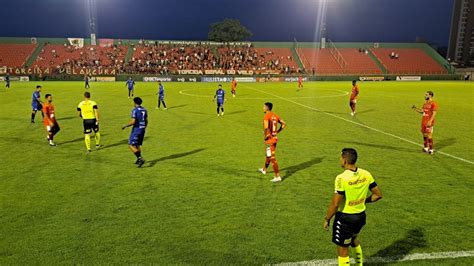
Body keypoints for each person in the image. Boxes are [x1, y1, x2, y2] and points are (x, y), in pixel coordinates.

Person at [323, 148, 383, 266]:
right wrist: (362, 201)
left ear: (345, 160)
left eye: (341, 158)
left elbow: (335, 204)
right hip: (360, 217)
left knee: (343, 249)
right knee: (354, 239)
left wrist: (327, 219)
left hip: (345, 218)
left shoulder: (341, 178)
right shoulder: (366, 174)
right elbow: (378, 195)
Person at [259, 102, 286, 182]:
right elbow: (284, 124)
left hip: (269, 140)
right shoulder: (275, 115)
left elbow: (266, 128)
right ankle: (264, 170)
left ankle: (277, 176)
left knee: (272, 158)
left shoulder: (266, 116)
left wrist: (267, 136)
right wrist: (277, 132)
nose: (263, 108)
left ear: (267, 108)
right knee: (268, 155)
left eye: (264, 106)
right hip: (274, 139)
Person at [122, 97, 148, 167]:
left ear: (135, 102)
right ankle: (138, 158)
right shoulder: (144, 110)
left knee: (130, 144)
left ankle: (140, 158)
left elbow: (133, 122)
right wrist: (144, 127)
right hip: (142, 129)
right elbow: (146, 121)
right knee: (137, 145)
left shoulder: (135, 110)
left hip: (137, 129)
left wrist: (125, 125)